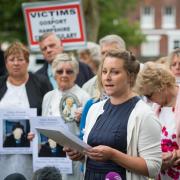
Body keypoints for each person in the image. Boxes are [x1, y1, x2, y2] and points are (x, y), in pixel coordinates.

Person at [64, 50, 162, 180]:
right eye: (104, 72)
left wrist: (113, 155)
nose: (107, 77)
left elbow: (153, 167)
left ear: (131, 77)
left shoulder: (144, 114)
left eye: (115, 72)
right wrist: (80, 154)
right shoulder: (94, 109)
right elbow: (92, 154)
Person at [0, 41, 51, 180]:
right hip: (2, 154)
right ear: (6, 63)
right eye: (12, 59)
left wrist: (39, 131)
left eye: (20, 59)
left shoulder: (41, 83)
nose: (16, 63)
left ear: (27, 62)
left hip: (32, 152)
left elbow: (50, 114)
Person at [41, 53, 90, 180]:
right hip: (50, 156)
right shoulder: (48, 97)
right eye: (59, 71)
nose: (64, 75)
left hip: (73, 159)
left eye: (69, 71)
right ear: (53, 73)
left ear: (76, 73)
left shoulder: (84, 97)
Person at [134, 62, 180, 179]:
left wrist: (175, 155)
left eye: (149, 95)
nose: (149, 100)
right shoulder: (156, 107)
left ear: (161, 87)